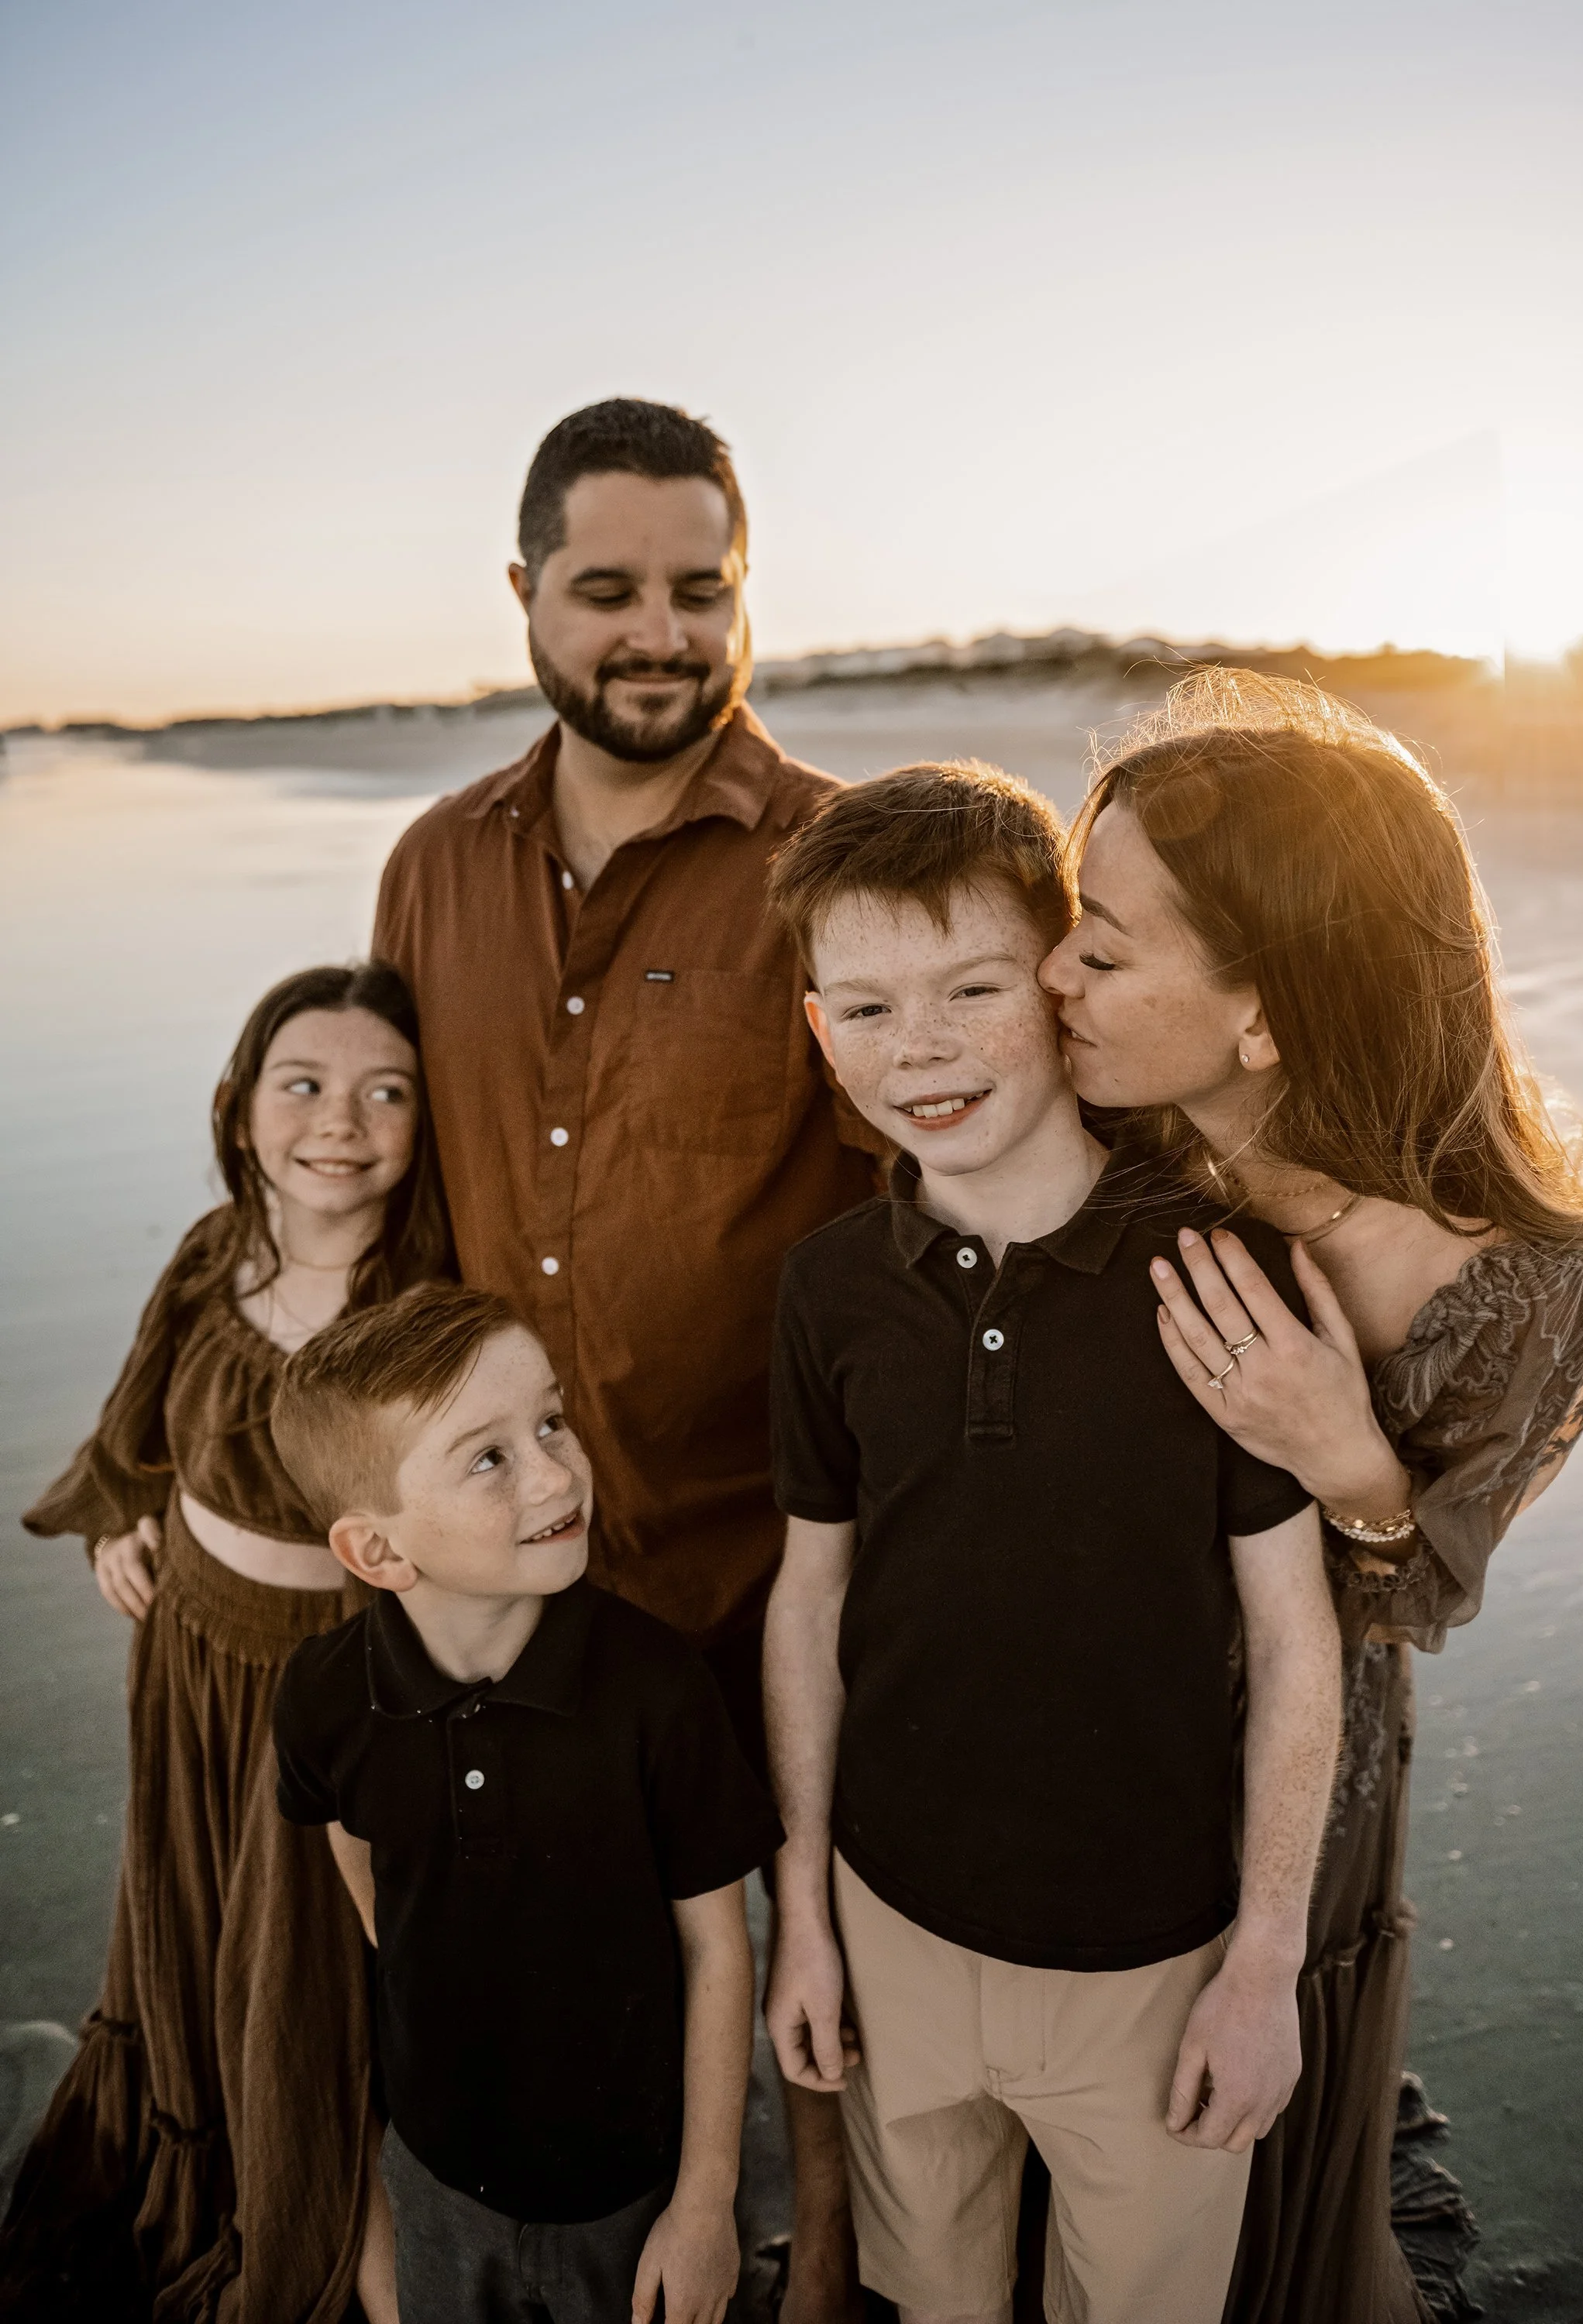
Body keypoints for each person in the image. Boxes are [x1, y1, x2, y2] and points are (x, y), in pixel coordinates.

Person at [371, 395, 883, 2315]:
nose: (661, 634)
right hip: (510, 1563)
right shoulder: (432, 865)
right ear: (523, 591)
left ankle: (823, 2270)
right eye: (608, 591)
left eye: (702, 589)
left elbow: (934, 1207)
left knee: (812, 1942)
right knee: (549, 1954)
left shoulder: (838, 860)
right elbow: (388, 1209)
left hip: (779, 1559)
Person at [1039, 670, 1583, 2323]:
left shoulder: (1514, 1297)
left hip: (1284, 1787)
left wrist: (1340, 1452)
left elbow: (1416, 1598)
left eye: (1104, 947)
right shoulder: (1100, 1155)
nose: (1053, 972)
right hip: (1058, 1747)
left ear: (1267, 1016)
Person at [760, 763, 1344, 2324]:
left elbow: (1296, 1635)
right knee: (933, 2294)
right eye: (866, 1009)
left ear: (1060, 984)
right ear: (819, 1027)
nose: (921, 1048)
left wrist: (1264, 1960)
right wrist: (805, 1919)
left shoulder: (1215, 1271)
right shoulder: (827, 1291)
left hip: (1154, 1956)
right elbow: (810, 1604)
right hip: (892, 1923)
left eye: (972, 988)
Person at [2, 962, 453, 2324]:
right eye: (302, 1084)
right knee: (189, 1935)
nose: (340, 1122)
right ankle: (183, 2183)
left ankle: (312, 2239)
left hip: (332, 1687)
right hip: (188, 1662)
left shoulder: (421, 1305)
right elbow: (140, 1423)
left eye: (386, 1093)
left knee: (301, 1976)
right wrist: (120, 1518)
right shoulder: (215, 1254)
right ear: (241, 1107)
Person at [269, 1281, 783, 2324]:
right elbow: (359, 1865)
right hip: (436, 2174)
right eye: (488, 1458)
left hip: (631, 2191)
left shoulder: (657, 1691)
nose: (557, 1473)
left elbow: (717, 1951)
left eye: (550, 1422)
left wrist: (703, 2203)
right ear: (377, 1551)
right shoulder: (324, 1696)